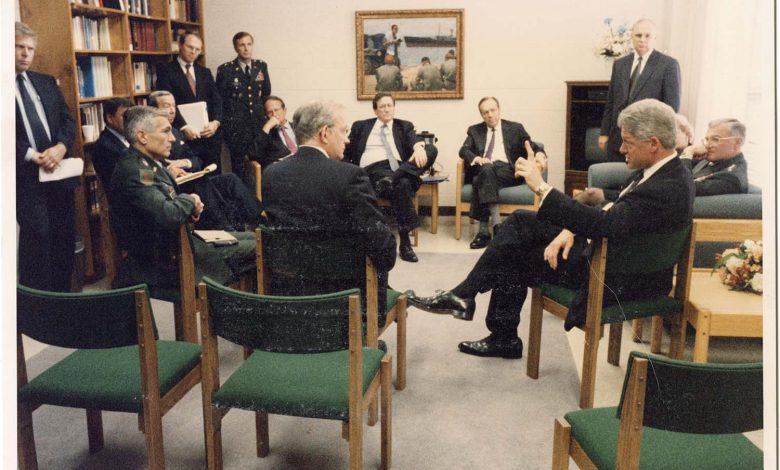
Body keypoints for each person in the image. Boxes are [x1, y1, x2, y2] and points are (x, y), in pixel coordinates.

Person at [406, 99, 694, 359]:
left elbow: (607, 225)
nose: (621, 149)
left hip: (614, 278)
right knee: (519, 225)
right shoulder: (670, 174)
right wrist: (570, 229)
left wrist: (542, 187)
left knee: (514, 248)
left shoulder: (663, 187)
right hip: (618, 263)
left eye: (628, 142)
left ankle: (484, 317)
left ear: (653, 143)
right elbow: (622, 214)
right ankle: (471, 304)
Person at [109, 106, 255, 290]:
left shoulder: (146, 163)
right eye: (165, 131)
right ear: (142, 136)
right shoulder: (137, 171)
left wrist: (190, 208)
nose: (172, 138)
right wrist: (190, 200)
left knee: (255, 237)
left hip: (180, 245)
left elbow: (163, 203)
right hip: (170, 260)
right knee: (261, 246)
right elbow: (167, 213)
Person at [262, 99, 396, 289]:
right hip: (344, 299)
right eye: (344, 131)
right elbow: (384, 251)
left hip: (289, 293)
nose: (348, 139)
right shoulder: (350, 176)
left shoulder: (270, 174)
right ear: (324, 133)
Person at [15, 21, 79, 292]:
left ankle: (61, 302)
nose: (25, 54)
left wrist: (62, 147)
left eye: (30, 48)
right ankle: (36, 307)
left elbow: (67, 120)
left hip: (58, 172)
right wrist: (30, 155)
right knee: (38, 240)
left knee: (65, 237)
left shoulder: (44, 81)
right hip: (24, 177)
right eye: (19, 47)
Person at [343, 92, 438, 263]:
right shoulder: (361, 126)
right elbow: (346, 150)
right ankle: (405, 243)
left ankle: (393, 179)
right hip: (372, 169)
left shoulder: (404, 126)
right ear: (375, 110)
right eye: (382, 107)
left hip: (398, 168)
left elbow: (413, 138)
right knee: (403, 184)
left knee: (430, 150)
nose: (387, 110)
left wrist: (418, 147)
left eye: (389, 106)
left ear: (394, 107)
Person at [149, 90, 261, 231]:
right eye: (166, 106)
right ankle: (229, 231)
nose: (172, 111)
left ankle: (260, 221)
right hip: (177, 189)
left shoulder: (176, 131)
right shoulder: (151, 138)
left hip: (188, 180)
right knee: (203, 184)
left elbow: (196, 160)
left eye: (174, 106)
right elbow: (151, 174)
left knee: (229, 180)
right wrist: (168, 171)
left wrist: (184, 163)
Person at [459, 96, 548, 249]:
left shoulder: (515, 128)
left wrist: (540, 154)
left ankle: (483, 233)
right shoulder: (475, 131)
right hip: (485, 168)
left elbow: (534, 147)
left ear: (499, 110)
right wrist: (478, 158)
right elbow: (463, 150)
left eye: (493, 110)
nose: (490, 115)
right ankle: (497, 228)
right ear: (482, 115)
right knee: (486, 172)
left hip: (508, 171)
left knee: (478, 180)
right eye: (485, 112)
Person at [599, 19, 681, 161]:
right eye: (638, 35)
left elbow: (671, 108)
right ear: (631, 37)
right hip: (617, 139)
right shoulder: (620, 64)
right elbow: (611, 102)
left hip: (647, 140)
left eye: (647, 36)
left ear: (654, 38)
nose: (642, 40)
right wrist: (604, 133)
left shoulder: (668, 64)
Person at [155, 31, 223, 168]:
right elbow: (166, 105)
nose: (193, 52)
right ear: (180, 45)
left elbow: (217, 100)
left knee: (214, 175)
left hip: (209, 136)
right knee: (193, 177)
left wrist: (215, 123)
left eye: (197, 49)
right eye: (190, 47)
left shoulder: (205, 72)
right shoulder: (166, 71)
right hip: (183, 137)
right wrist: (184, 127)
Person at [216, 31, 271, 181]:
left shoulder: (261, 66)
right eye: (242, 45)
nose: (246, 48)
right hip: (237, 129)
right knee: (240, 168)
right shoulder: (226, 70)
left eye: (249, 44)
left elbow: (266, 94)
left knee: (262, 165)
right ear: (236, 48)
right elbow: (221, 100)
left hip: (258, 126)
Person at [681, 118, 749, 195]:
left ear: (737, 142)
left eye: (715, 139)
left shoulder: (732, 178)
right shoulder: (715, 158)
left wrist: (687, 153)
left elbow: (682, 188)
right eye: (707, 139)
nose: (708, 145)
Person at [91, 97, 134, 188]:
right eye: (125, 116)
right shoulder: (103, 147)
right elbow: (130, 178)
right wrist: (154, 174)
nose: (131, 120)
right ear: (110, 118)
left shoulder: (133, 137)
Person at [254, 95, 296, 170]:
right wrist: (267, 126)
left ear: (284, 110)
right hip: (283, 171)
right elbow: (255, 155)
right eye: (269, 112)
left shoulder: (297, 127)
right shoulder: (266, 133)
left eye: (276, 110)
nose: (274, 114)